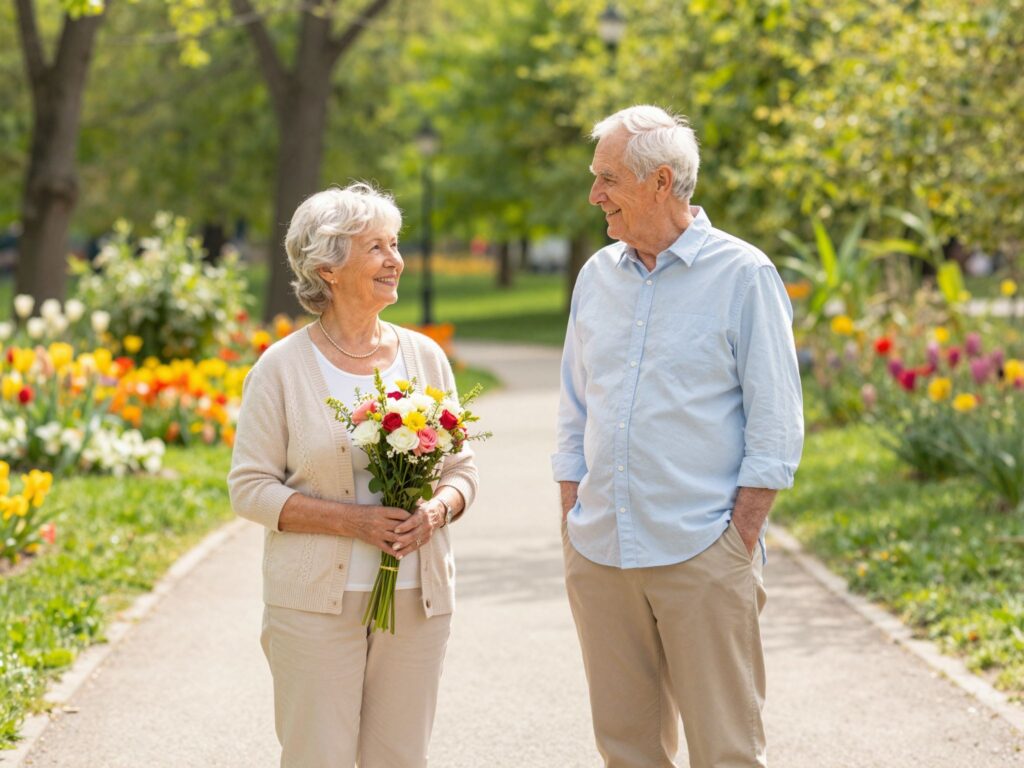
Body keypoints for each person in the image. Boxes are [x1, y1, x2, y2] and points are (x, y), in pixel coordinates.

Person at [553, 105, 804, 768]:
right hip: (602, 551)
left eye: (607, 179)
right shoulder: (595, 277)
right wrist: (571, 515)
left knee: (726, 752)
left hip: (703, 550)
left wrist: (736, 542)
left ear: (661, 183)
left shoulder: (743, 275)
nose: (594, 195)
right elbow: (574, 410)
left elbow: (776, 427)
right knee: (626, 752)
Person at [228, 182, 478, 768]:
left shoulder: (425, 356)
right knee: (318, 757)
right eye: (376, 248)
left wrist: (439, 508)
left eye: (395, 245)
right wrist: (355, 523)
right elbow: (249, 488)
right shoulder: (280, 369)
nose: (396, 260)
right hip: (313, 604)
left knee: (401, 758)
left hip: (416, 599)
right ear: (328, 268)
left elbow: (461, 466)